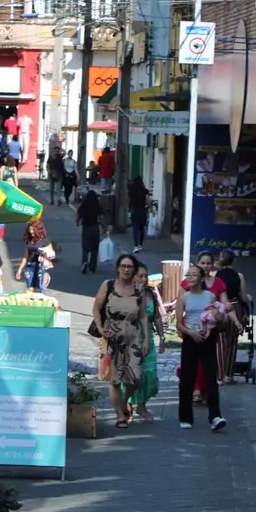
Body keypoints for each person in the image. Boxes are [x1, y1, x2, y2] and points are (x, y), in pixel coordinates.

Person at [93, 254, 148, 429]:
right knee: (115, 379)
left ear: (134, 269)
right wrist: (100, 328)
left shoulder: (139, 289)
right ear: (118, 268)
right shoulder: (108, 285)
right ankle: (119, 415)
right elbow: (97, 307)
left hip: (132, 335)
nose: (126, 269)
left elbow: (144, 316)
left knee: (134, 378)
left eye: (130, 267)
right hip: (112, 336)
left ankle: (124, 402)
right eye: (123, 266)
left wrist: (146, 338)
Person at [177, 264, 227, 432]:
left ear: (201, 277)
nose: (190, 278)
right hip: (191, 338)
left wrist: (217, 320)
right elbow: (178, 324)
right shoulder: (184, 298)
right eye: (188, 275)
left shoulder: (211, 296)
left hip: (208, 338)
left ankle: (215, 416)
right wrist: (191, 333)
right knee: (187, 378)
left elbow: (218, 318)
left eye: (193, 275)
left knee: (211, 378)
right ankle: (185, 416)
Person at [180, 251, 232, 404]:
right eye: (202, 263)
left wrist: (221, 310)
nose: (206, 265)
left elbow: (224, 304)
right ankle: (195, 389)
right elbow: (181, 303)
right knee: (192, 360)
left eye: (208, 263)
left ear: (213, 264)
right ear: (198, 263)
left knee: (206, 361)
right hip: (191, 326)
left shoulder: (218, 283)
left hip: (211, 326)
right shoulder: (187, 282)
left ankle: (205, 391)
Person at [124, 262, 164, 423]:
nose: (144, 279)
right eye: (140, 276)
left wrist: (162, 337)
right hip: (129, 339)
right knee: (130, 374)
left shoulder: (151, 295)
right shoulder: (125, 294)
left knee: (147, 374)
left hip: (147, 340)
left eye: (146, 276)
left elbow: (157, 317)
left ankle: (142, 405)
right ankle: (127, 407)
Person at [214, 249, 251, 384]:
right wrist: (248, 299)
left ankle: (219, 375)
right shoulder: (239, 276)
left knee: (220, 342)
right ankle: (228, 375)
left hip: (220, 308)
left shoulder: (216, 275)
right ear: (234, 260)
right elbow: (243, 297)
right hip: (235, 307)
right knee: (232, 342)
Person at [15, 220, 51, 292]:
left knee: (38, 289)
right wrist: (19, 270)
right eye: (29, 229)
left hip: (40, 267)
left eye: (32, 230)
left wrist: (45, 253)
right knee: (29, 288)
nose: (31, 232)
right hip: (30, 266)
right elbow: (26, 256)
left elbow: (52, 255)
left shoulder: (45, 241)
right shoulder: (29, 241)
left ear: (38, 230)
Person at [76, 190, 104, 274]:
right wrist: (103, 227)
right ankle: (92, 268)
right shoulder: (97, 206)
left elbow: (78, 216)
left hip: (86, 229)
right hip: (95, 228)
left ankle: (85, 262)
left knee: (85, 248)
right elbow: (102, 216)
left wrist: (78, 222)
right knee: (94, 249)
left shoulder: (83, 206)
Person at [128, 176, 150, 252]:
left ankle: (136, 245)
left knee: (135, 228)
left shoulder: (131, 190)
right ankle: (140, 244)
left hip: (134, 210)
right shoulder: (144, 190)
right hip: (143, 210)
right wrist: (149, 208)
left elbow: (128, 200)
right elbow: (148, 200)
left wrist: (129, 209)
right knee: (141, 228)